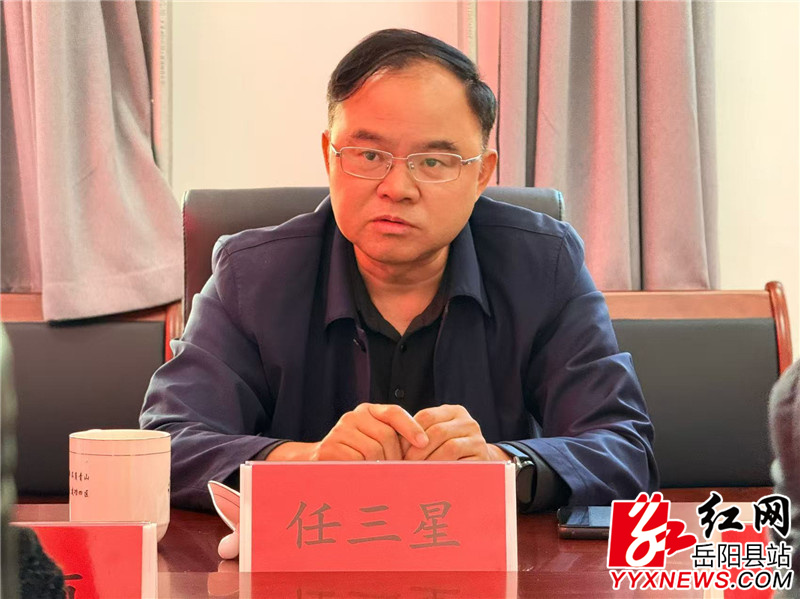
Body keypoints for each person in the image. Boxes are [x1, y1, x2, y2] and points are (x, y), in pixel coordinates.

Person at [140, 28, 657, 512]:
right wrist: (304, 462)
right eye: (368, 154)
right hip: (306, 555)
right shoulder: (251, 275)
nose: (397, 188)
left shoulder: (544, 265)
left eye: (433, 162)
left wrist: (504, 465)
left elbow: (623, 447)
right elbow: (166, 445)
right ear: (329, 157)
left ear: (481, 174)